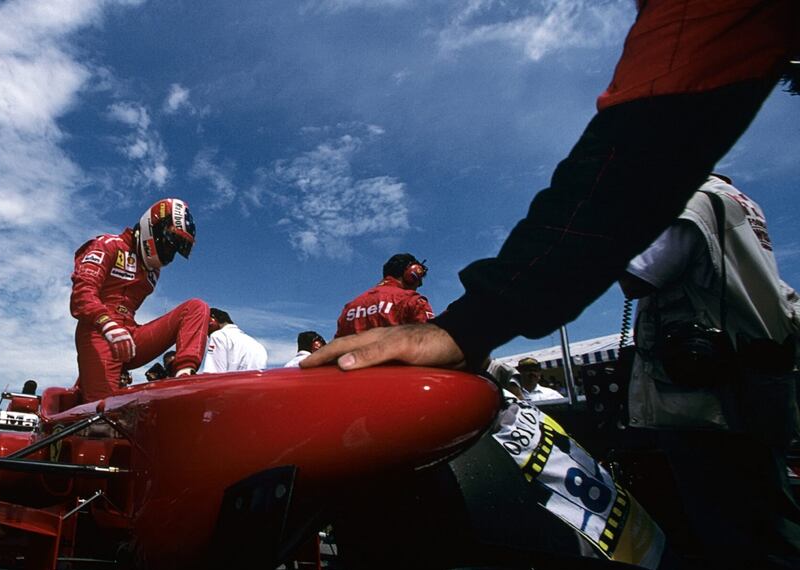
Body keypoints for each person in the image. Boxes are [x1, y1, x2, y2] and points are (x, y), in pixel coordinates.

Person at [304, 3, 799, 377]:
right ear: (409, 271)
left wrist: (474, 322)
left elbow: (648, 138)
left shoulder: (354, 303)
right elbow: (646, 143)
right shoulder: (731, 197)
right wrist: (470, 326)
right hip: (736, 371)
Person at [620, 174, 800, 570]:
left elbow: (638, 274)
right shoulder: (740, 202)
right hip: (755, 377)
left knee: (731, 525)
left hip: (706, 396)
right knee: (770, 512)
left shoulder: (690, 201)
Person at [69, 197, 208, 402]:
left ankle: (184, 376)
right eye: (170, 245)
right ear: (154, 226)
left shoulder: (153, 272)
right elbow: (82, 295)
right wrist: (107, 324)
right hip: (97, 333)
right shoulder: (107, 245)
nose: (169, 254)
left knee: (196, 307)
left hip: (130, 336)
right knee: (105, 413)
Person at [334, 253, 432, 339]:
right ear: (411, 275)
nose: (420, 284)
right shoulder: (412, 301)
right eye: (419, 279)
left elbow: (336, 349)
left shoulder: (348, 309)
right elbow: (430, 343)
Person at [202, 307, 268, 372]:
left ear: (212, 318)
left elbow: (214, 373)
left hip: (230, 382)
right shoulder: (257, 345)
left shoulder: (218, 336)